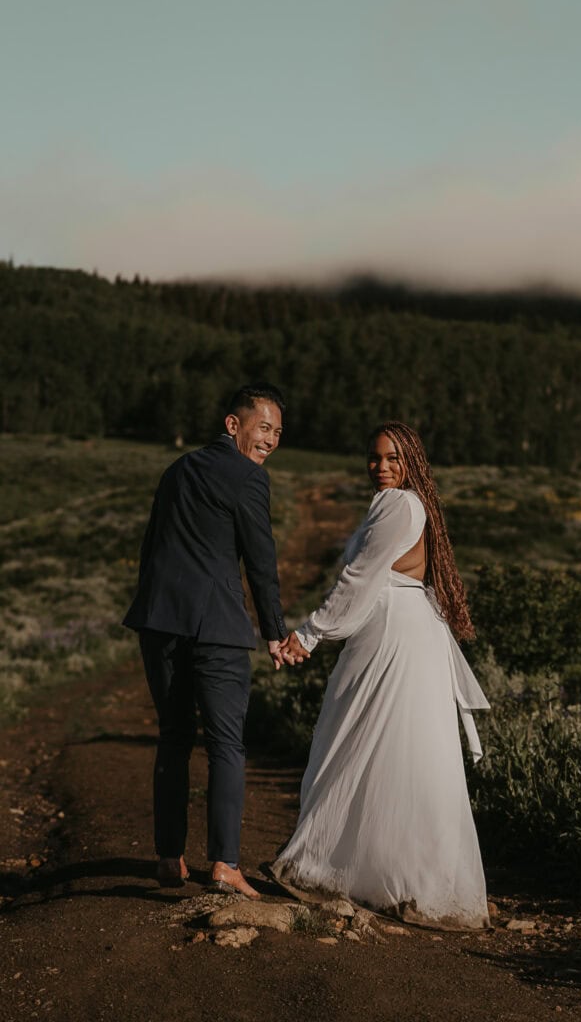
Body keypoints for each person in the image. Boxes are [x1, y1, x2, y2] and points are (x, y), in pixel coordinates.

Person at [273, 421, 490, 928]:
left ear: (412, 459)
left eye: (393, 457)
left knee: (354, 742)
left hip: (393, 635)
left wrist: (308, 633)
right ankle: (391, 876)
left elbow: (360, 577)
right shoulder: (411, 505)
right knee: (395, 750)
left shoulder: (398, 505)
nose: (382, 466)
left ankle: (332, 867)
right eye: (375, 457)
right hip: (406, 632)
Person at [123, 383, 291, 898]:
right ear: (232, 424)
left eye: (279, 432)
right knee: (226, 745)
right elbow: (261, 562)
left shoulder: (175, 471)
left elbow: (151, 549)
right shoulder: (249, 479)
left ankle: (169, 859)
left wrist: (154, 608)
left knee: (174, 737)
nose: (272, 440)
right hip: (215, 627)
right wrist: (276, 632)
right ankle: (224, 864)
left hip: (158, 621)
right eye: (264, 427)